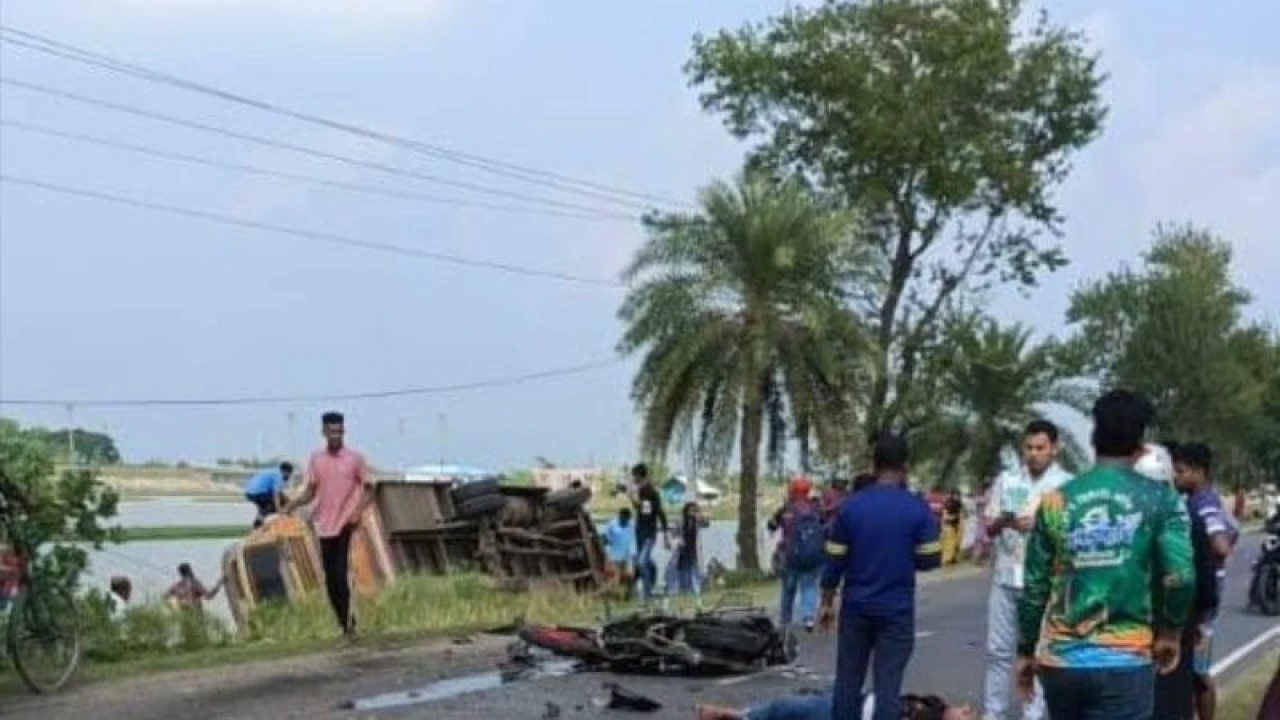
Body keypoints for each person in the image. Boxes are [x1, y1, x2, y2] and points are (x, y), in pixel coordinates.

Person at [1016, 389, 1194, 720]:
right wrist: (1171, 631)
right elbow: (1180, 577)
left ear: (1094, 437)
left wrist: (1025, 651)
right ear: (1141, 447)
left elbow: (1035, 588)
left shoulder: (1056, 501)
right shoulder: (1160, 499)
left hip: (1061, 663)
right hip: (1124, 661)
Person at [820, 432, 941, 720]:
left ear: (873, 467)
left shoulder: (850, 506)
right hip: (896, 610)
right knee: (888, 686)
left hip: (856, 607)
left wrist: (826, 601)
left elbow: (834, 560)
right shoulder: (917, 508)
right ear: (904, 466)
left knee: (847, 683)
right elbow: (930, 559)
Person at [981, 419, 1072, 720]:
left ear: (1054, 449)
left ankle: (1032, 714)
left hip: (1043, 581)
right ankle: (994, 712)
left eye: (1040, 448)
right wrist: (1002, 521)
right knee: (998, 652)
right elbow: (988, 527)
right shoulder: (1007, 480)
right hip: (1006, 575)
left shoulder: (1066, 485)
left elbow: (1072, 535)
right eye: (1029, 447)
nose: (1033, 453)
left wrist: (1040, 526)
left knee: (1037, 652)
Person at [283, 411, 374, 636]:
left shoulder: (355, 459)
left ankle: (348, 624)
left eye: (339, 432)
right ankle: (343, 621)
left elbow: (371, 488)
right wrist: (291, 505)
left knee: (340, 572)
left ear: (344, 432)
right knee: (330, 577)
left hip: (345, 523)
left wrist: (358, 512)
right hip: (324, 525)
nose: (336, 436)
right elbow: (310, 491)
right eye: (331, 432)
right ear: (324, 432)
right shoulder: (316, 459)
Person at [1170, 442, 1238, 720]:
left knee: (1197, 672)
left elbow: (1220, 546)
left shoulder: (1203, 505)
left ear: (1199, 472)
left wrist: (1201, 556)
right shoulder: (1197, 501)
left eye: (1181, 471)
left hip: (1203, 602)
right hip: (1199, 597)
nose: (1176, 477)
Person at [769, 475, 824, 630]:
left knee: (788, 588)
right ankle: (808, 618)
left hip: (790, 555)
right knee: (809, 586)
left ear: (792, 490)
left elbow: (772, 525)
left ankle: (786, 619)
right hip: (812, 555)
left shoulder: (786, 509)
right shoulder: (815, 508)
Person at [694, 691, 976, 720]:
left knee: (785, 710)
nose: (967, 710)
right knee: (786, 708)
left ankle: (726, 715)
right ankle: (731, 715)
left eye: (968, 717)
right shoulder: (936, 706)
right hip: (854, 701)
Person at [629, 463, 668, 601]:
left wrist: (666, 535)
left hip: (649, 533)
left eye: (634, 475)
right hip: (639, 530)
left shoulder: (651, 492)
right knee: (645, 562)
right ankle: (649, 584)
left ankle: (648, 591)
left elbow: (657, 512)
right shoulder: (639, 491)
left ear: (640, 475)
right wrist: (633, 501)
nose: (633, 478)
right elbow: (642, 510)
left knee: (640, 562)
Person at [674, 501, 709, 598]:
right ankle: (684, 590)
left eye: (694, 511)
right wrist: (678, 540)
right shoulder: (681, 521)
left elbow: (706, 524)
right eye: (690, 511)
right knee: (683, 569)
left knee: (694, 569)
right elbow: (675, 533)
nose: (691, 513)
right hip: (683, 549)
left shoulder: (696, 521)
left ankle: (695, 591)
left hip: (694, 549)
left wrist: (701, 513)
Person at [244, 461, 294, 528]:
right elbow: (276, 495)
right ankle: (288, 521)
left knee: (264, 508)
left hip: (250, 493)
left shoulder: (273, 472)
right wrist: (279, 510)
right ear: (286, 471)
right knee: (281, 502)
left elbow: (279, 492)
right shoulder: (279, 475)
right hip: (258, 493)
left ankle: (258, 524)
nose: (289, 476)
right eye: (289, 474)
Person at [603, 507, 636, 599]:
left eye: (627, 519)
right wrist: (607, 553)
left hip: (627, 555)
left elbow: (633, 539)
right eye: (624, 519)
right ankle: (614, 597)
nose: (625, 521)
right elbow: (606, 539)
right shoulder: (612, 524)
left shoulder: (631, 525)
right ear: (620, 516)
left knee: (629, 576)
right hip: (614, 556)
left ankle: (628, 596)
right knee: (615, 579)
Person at [941, 488, 965, 565]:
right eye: (955, 494)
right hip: (951, 523)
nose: (956, 496)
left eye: (957, 495)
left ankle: (952, 557)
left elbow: (961, 512)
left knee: (955, 541)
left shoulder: (957, 502)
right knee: (950, 541)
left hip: (956, 523)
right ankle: (949, 557)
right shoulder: (949, 502)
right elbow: (945, 512)